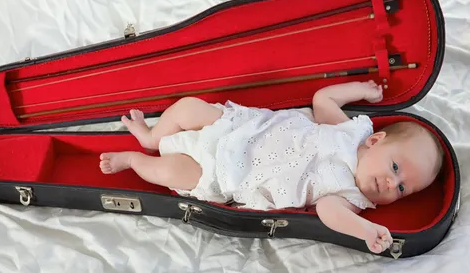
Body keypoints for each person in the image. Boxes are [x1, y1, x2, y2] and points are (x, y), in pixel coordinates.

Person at [99, 81, 444, 254]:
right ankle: (150, 137)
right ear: (375, 141)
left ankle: (135, 160)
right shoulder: (349, 131)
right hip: (239, 128)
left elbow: (328, 213)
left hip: (230, 174)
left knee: (172, 173)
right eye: (396, 167)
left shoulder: (350, 195)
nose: (389, 182)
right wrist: (362, 89)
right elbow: (322, 99)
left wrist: (365, 231)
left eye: (402, 188)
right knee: (189, 108)